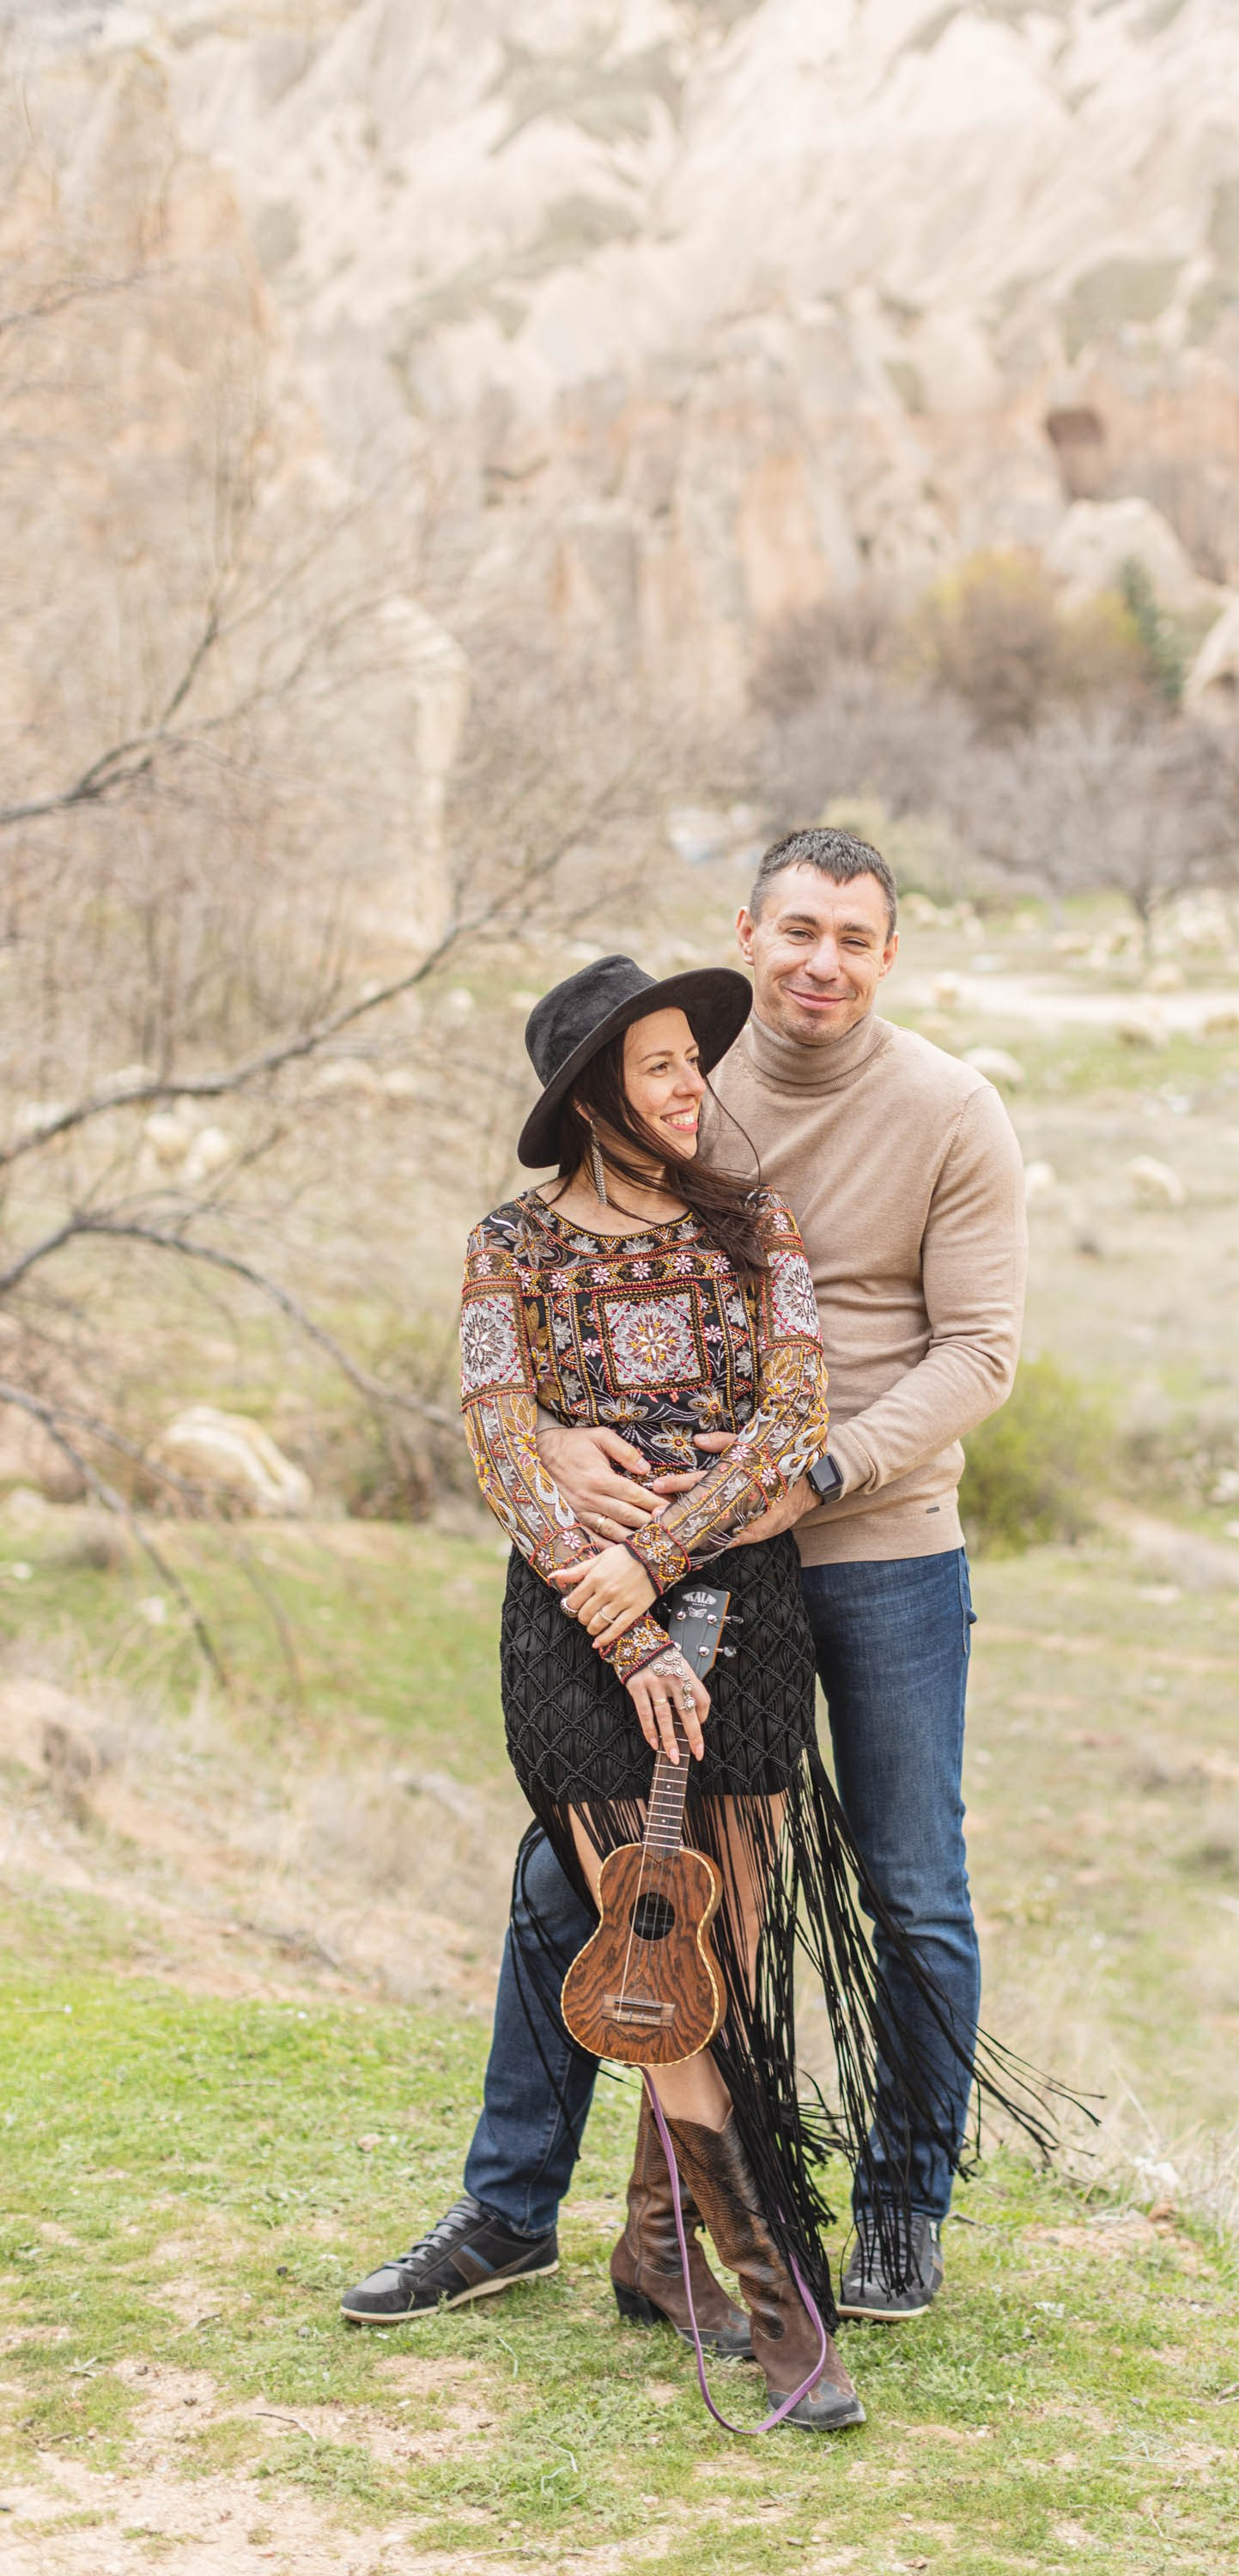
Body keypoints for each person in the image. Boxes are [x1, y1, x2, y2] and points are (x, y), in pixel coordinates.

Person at [341, 828, 1030, 2344]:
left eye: (853, 937)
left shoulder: (949, 1110)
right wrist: (568, 1448)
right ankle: (517, 2208)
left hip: (876, 1537)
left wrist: (818, 1472)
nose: (820, 962)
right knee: (569, 1887)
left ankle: (900, 2209)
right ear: (746, 933)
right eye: (796, 930)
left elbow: (978, 1353)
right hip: (699, 1562)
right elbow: (559, 1311)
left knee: (910, 1888)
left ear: (887, 954)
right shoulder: (689, 1090)